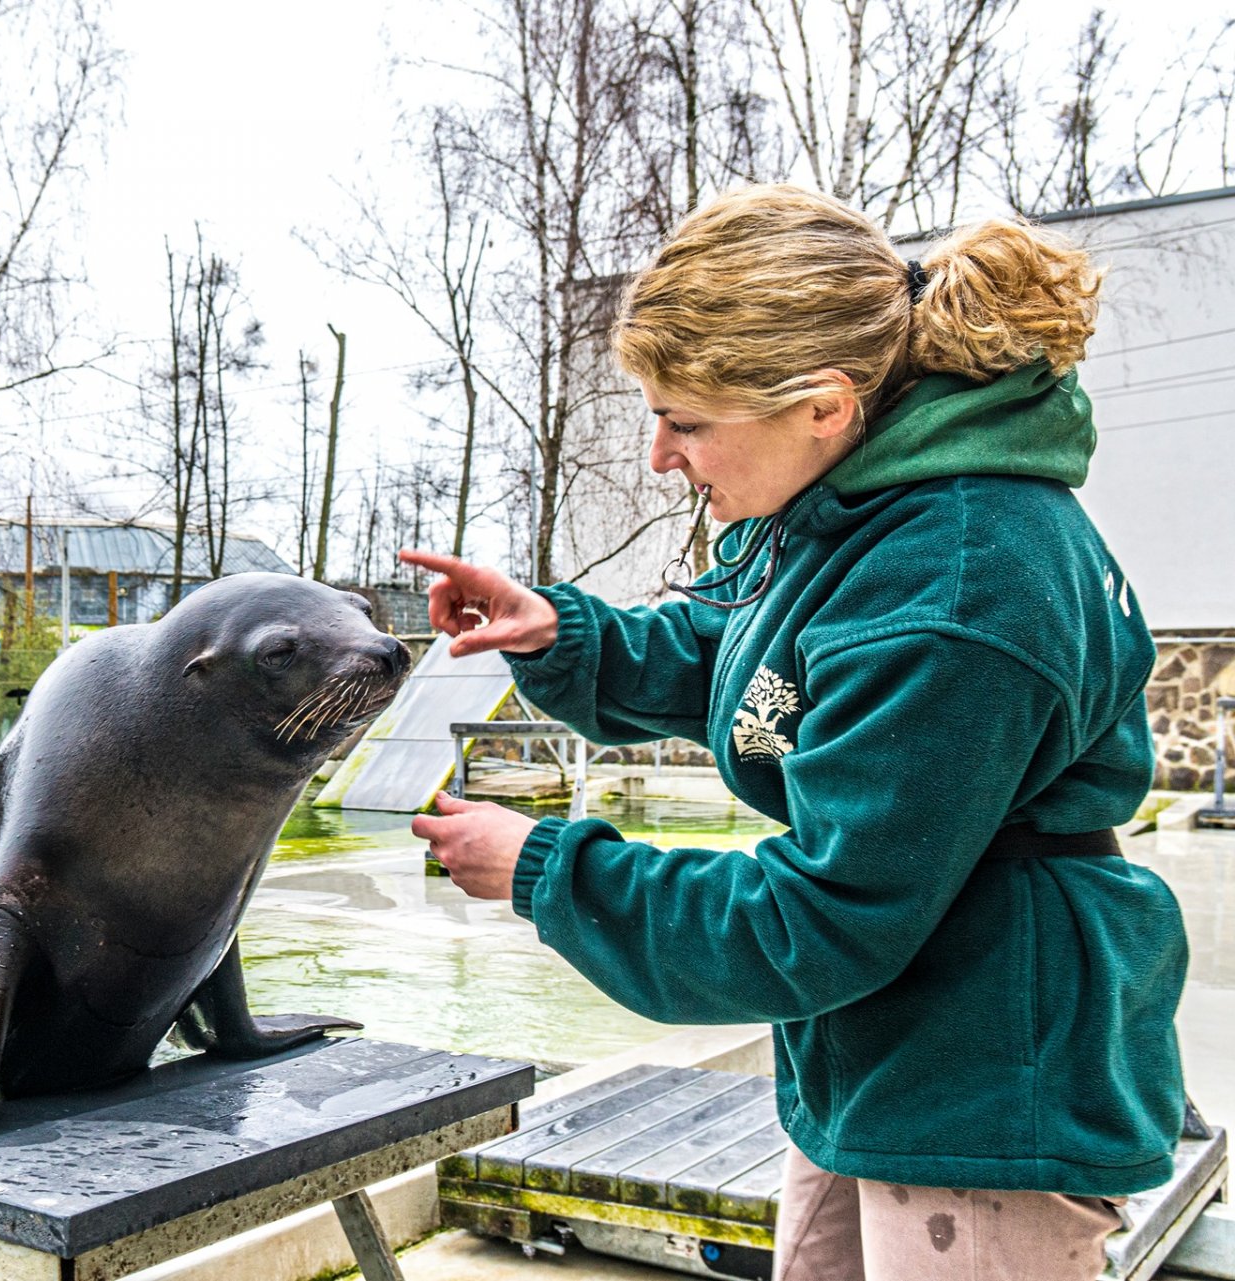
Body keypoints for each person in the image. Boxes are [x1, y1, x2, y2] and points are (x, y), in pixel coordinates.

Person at [400, 183, 1187, 1281]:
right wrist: (558, 636)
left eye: (686, 420)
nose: (663, 456)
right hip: (885, 1056)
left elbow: (818, 920)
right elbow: (754, 667)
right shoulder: (856, 506)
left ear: (822, 401)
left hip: (991, 1085)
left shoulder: (955, 585)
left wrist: (547, 872)